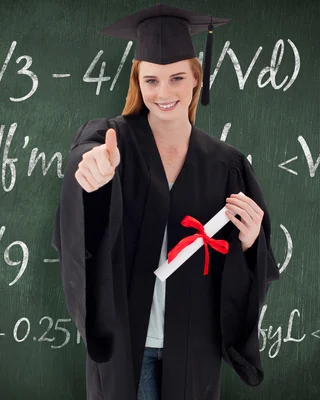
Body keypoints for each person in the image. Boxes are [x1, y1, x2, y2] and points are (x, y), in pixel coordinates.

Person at [51, 3, 280, 400]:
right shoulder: (112, 142)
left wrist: (249, 240)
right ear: (138, 83)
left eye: (176, 78)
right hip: (128, 349)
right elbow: (84, 160)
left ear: (196, 78)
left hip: (194, 349)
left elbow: (249, 272)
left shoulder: (226, 164)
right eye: (151, 80)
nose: (163, 92)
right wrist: (91, 175)